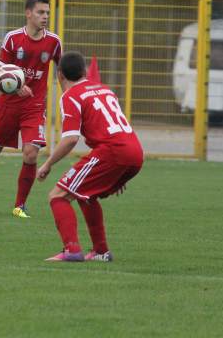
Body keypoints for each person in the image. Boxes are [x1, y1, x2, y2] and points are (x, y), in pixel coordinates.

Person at [36, 51, 144, 262]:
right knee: (87, 195)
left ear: (59, 75)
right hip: (135, 152)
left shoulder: (71, 96)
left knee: (57, 196)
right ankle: (101, 252)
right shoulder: (105, 89)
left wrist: (47, 164)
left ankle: (72, 250)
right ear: (85, 71)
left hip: (113, 152)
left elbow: (70, 140)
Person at [0, 0, 62, 218]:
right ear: (28, 13)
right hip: (7, 105)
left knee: (31, 154)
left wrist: (69, 95)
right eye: (40, 12)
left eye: (47, 13)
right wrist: (17, 87)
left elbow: (62, 72)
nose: (45, 17)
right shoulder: (12, 39)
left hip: (34, 107)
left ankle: (19, 206)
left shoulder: (54, 42)